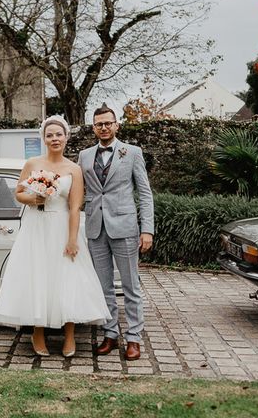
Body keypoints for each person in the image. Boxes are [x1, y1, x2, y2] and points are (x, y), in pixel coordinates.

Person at [0, 116, 110, 357]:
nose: (54, 138)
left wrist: (72, 239)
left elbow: (75, 206)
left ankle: (69, 335)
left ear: (66, 137)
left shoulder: (73, 169)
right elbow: (18, 193)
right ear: (44, 139)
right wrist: (34, 198)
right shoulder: (33, 163)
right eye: (49, 135)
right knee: (38, 276)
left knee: (66, 278)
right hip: (36, 225)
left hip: (62, 226)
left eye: (58, 134)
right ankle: (38, 332)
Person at [78, 103, 154, 361]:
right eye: (99, 124)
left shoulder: (131, 153)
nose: (104, 127)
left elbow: (144, 193)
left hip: (125, 228)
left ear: (116, 125)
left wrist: (148, 230)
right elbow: (81, 192)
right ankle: (110, 334)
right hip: (95, 228)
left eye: (108, 123)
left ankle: (134, 338)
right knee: (104, 287)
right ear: (93, 128)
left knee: (131, 286)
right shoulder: (84, 156)